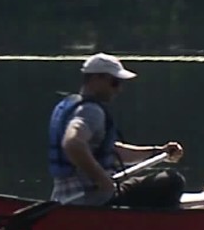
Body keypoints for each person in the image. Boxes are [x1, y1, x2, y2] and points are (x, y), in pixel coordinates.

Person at [48, 52, 186, 208]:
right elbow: (73, 143)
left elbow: (112, 152)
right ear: (95, 79)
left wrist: (158, 151)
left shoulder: (70, 106)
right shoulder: (91, 111)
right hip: (92, 199)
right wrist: (102, 179)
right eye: (114, 82)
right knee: (172, 180)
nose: (118, 89)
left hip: (63, 198)